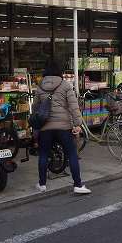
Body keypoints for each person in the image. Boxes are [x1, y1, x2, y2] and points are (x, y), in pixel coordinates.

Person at [33, 60, 91, 195]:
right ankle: (77, 185)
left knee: (43, 155)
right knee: (72, 154)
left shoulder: (40, 86)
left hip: (45, 128)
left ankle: (42, 184)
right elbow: (73, 106)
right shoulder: (65, 85)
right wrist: (78, 124)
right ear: (60, 72)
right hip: (64, 127)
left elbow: (35, 108)